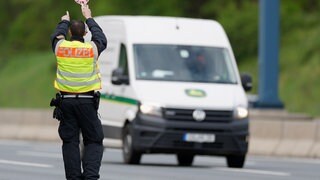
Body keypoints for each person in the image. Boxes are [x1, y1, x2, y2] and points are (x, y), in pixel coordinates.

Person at [50, 4, 107, 180]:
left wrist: (64, 22)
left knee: (70, 141)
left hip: (66, 103)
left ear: (69, 34)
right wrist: (88, 17)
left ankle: (74, 178)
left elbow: (55, 36)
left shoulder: (61, 47)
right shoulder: (92, 49)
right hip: (87, 103)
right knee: (94, 140)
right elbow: (101, 37)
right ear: (84, 34)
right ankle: (90, 177)